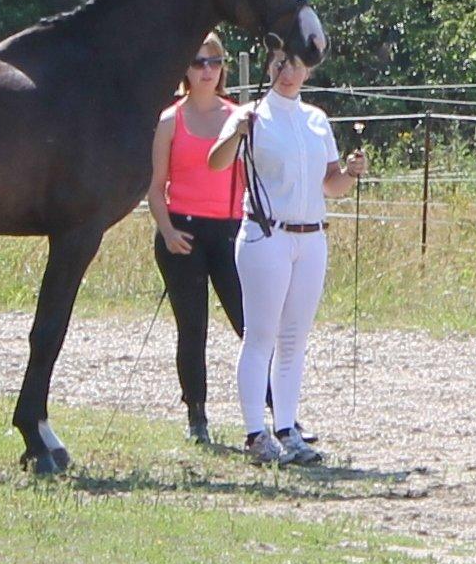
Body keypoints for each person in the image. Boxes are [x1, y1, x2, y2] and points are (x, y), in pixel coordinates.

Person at [208, 47, 367, 465]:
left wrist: (350, 174)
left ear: (307, 71)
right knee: (261, 334)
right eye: (280, 63)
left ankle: (286, 427)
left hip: (311, 236)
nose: (288, 72)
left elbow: (329, 184)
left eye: (296, 64)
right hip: (267, 234)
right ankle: (254, 432)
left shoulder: (316, 120)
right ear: (268, 66)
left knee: (294, 338)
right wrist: (236, 133)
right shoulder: (251, 115)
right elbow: (216, 162)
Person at [148, 32, 245, 444]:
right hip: (183, 231)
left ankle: (275, 411)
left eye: (215, 62)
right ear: (185, 69)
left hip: (230, 231)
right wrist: (168, 230)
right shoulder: (169, 120)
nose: (207, 70)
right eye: (198, 62)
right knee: (193, 328)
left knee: (250, 325)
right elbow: (155, 187)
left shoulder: (240, 118)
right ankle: (197, 414)